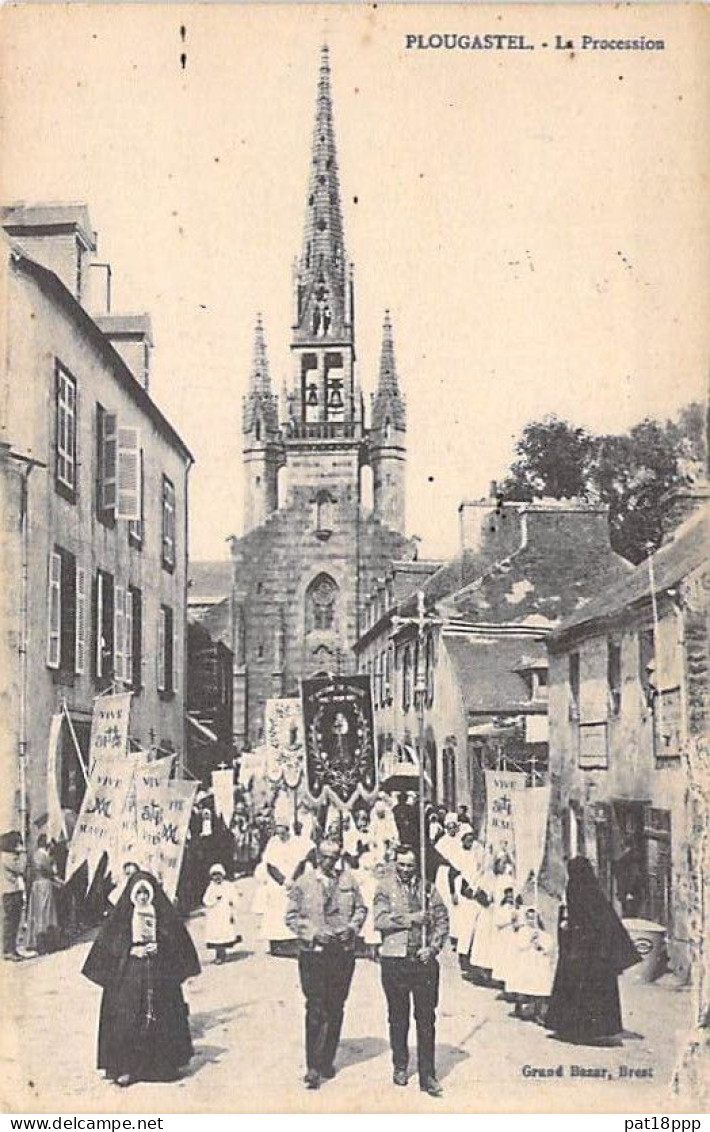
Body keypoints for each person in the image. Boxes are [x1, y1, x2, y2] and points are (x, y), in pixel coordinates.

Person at [82, 871, 200, 1086]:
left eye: (147, 892)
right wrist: (129, 951)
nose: (143, 897)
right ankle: (126, 1067)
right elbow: (108, 947)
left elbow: (179, 944)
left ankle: (161, 1066)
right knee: (127, 1016)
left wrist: (161, 947)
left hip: (158, 972)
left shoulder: (164, 915)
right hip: (129, 974)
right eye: (139, 893)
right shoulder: (121, 918)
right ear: (131, 895)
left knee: (162, 1014)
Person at [286, 839, 366, 1090]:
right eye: (325, 857)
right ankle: (312, 1066)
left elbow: (361, 909)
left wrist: (352, 928)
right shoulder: (304, 882)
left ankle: (327, 1059)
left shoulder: (348, 881)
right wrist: (311, 933)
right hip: (314, 953)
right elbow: (291, 916)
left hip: (342, 953)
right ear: (317, 857)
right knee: (315, 1006)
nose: (329, 861)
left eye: (334, 857)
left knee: (336, 1005)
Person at [374, 846, 449, 1097]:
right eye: (402, 865)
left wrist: (434, 948)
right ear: (395, 864)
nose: (406, 870)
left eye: (410, 865)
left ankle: (427, 1074)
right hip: (395, 961)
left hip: (423, 961)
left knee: (426, 1019)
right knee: (398, 1017)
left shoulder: (428, 888)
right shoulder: (384, 888)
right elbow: (380, 920)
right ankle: (400, 1065)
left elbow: (441, 919)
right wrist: (412, 918)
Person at [546, 856, 641, 1045]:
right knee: (594, 992)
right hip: (596, 953)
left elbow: (582, 921)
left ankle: (574, 1030)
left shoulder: (577, 889)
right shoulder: (593, 891)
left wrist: (569, 927)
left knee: (577, 989)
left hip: (583, 951)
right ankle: (594, 1029)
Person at [507, 907, 555, 1023]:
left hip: (538, 964)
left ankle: (537, 1012)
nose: (530, 920)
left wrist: (540, 945)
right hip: (527, 962)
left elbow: (549, 948)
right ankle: (519, 1007)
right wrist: (529, 940)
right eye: (528, 918)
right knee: (523, 986)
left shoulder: (543, 934)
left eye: (533, 918)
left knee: (539, 987)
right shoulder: (523, 931)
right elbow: (520, 945)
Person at [26, 839, 61, 954]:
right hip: (44, 886)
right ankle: (47, 944)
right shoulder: (43, 856)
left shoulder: (34, 855)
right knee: (47, 915)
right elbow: (51, 872)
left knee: (37, 915)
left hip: (36, 886)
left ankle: (39, 944)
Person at [202, 863, 241, 964]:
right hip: (214, 915)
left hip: (224, 914)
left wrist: (233, 909)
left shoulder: (228, 885)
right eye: (214, 875)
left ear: (223, 875)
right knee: (215, 935)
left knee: (223, 934)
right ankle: (218, 954)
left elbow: (234, 898)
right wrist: (214, 900)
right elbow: (206, 900)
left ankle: (222, 955)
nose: (217, 877)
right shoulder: (211, 887)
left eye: (219, 874)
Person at [1, 832, 27, 961]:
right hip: (11, 892)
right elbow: (21, 868)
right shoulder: (7, 857)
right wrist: (23, 853)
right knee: (11, 922)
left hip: (12, 892)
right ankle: (8, 951)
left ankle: (11, 949)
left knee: (13, 921)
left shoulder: (7, 856)